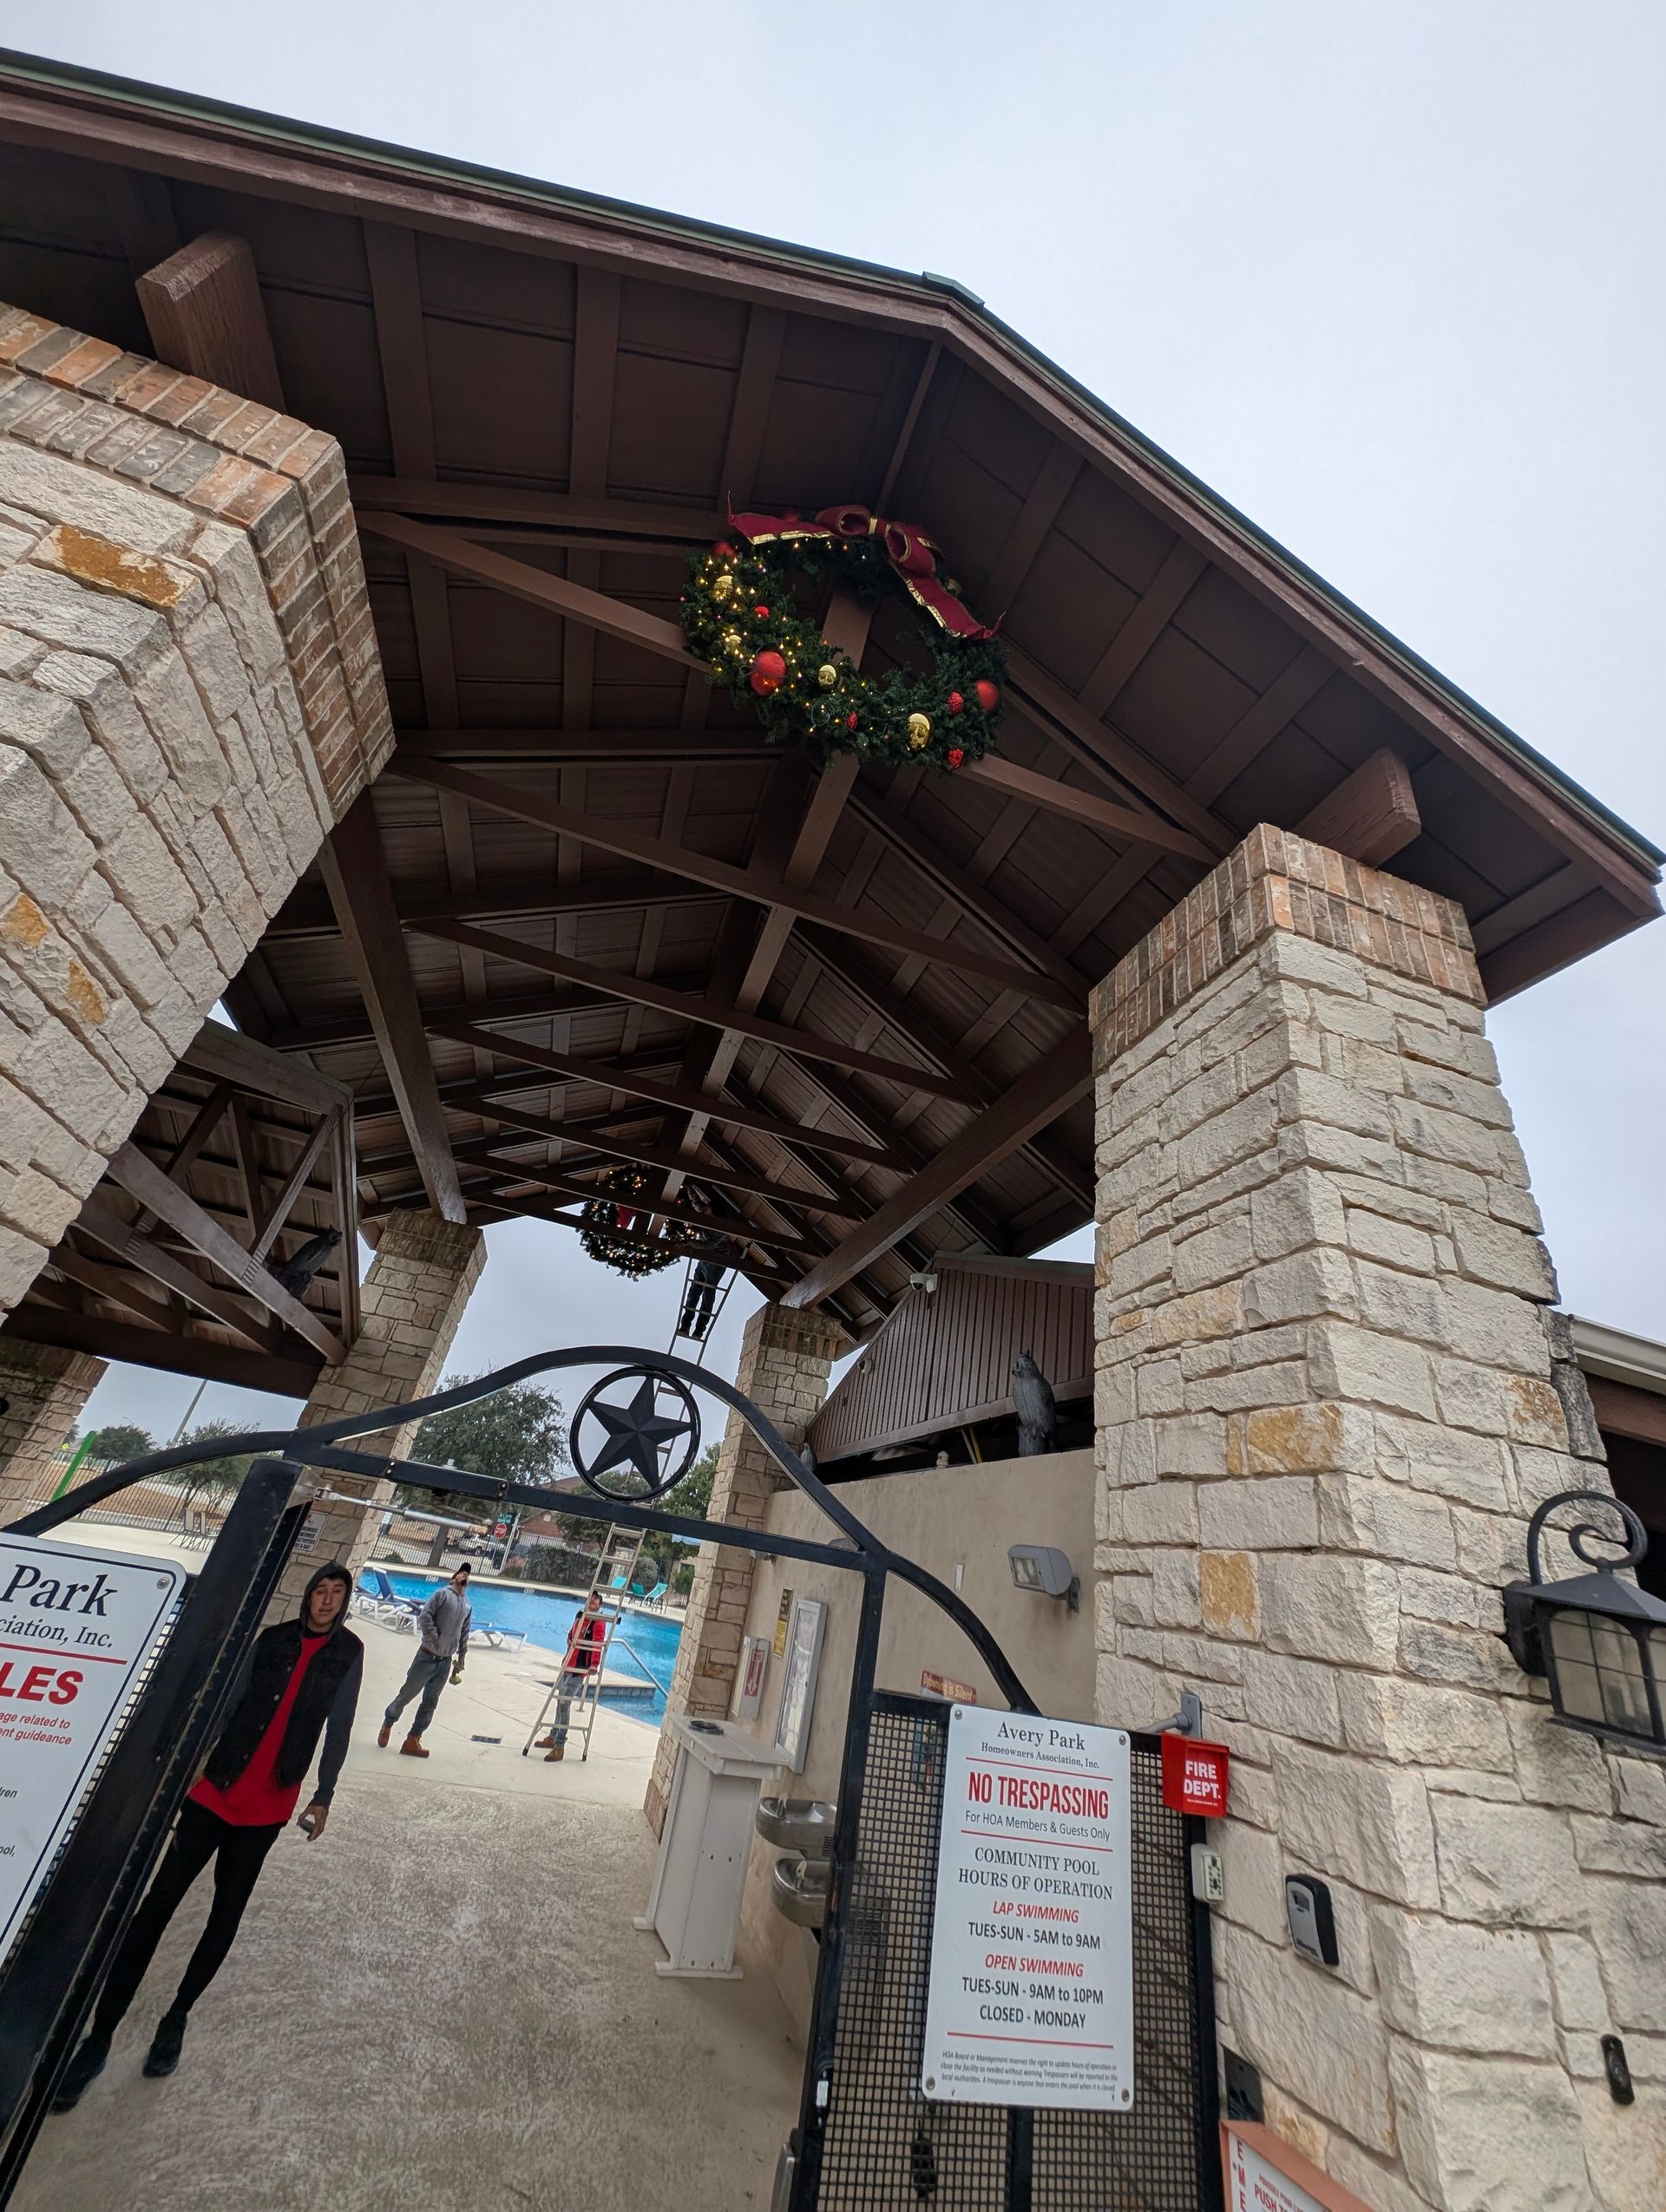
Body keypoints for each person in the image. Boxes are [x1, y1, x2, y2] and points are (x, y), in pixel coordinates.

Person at [52, 1562, 363, 2110]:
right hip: (216, 1787)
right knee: (155, 1908)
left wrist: (324, 1795)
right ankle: (99, 2035)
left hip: (269, 1802)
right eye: (320, 1590)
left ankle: (176, 2017)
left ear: (344, 1602)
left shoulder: (348, 1653)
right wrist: (196, 1759)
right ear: (309, 1596)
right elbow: (230, 1702)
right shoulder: (271, 1640)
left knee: (226, 1914)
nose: (326, 1600)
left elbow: (339, 1726)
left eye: (337, 1594)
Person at [377, 1562, 471, 1757]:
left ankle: (413, 1739)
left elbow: (464, 1632)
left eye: (468, 1574)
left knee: (430, 1702)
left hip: (445, 1662)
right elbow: (425, 1616)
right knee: (407, 1694)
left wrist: (461, 1656)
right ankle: (388, 1722)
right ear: (453, 1578)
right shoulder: (442, 1595)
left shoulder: (467, 1606)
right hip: (426, 1657)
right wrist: (433, 1639)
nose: (465, 1576)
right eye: (461, 1572)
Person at [536, 1590, 607, 1762]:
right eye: (591, 1598)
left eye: (596, 1600)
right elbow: (571, 1634)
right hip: (568, 1663)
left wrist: (594, 1664)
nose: (592, 1601)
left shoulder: (598, 1622)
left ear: (600, 1605)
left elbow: (598, 1643)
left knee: (564, 1704)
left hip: (579, 1668)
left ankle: (560, 1746)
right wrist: (569, 1642)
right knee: (559, 1701)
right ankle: (553, 1736)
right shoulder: (580, 1616)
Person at [679, 1257, 725, 1343]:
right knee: (696, 1291)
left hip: (715, 1260)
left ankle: (697, 1329)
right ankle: (688, 1327)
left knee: (707, 1294)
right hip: (706, 1259)